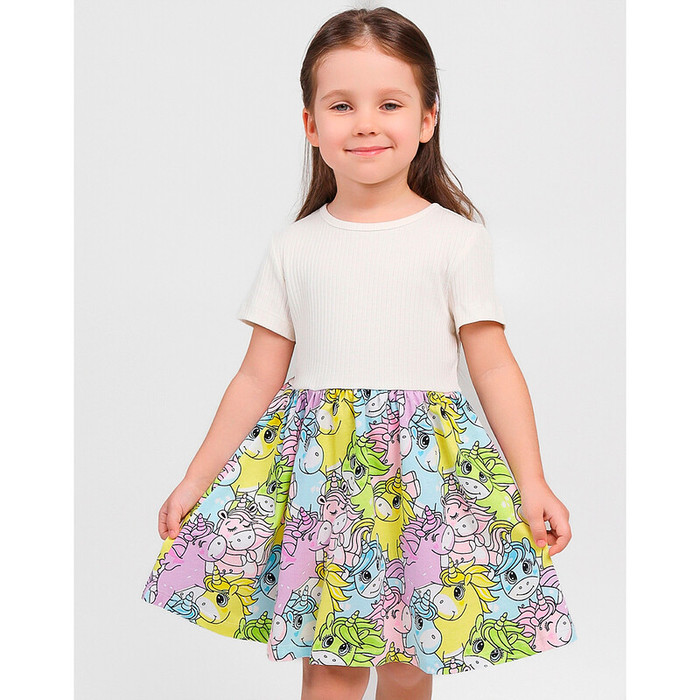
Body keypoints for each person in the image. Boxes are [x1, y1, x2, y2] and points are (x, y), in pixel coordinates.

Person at [141, 6, 578, 700]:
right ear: (311, 125)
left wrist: (534, 483)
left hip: (425, 482)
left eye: (390, 104)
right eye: (342, 105)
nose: (366, 123)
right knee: (332, 668)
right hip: (324, 486)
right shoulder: (294, 246)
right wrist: (196, 480)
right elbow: (256, 376)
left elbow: (494, 365)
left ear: (428, 119)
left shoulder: (456, 240)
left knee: (408, 666)